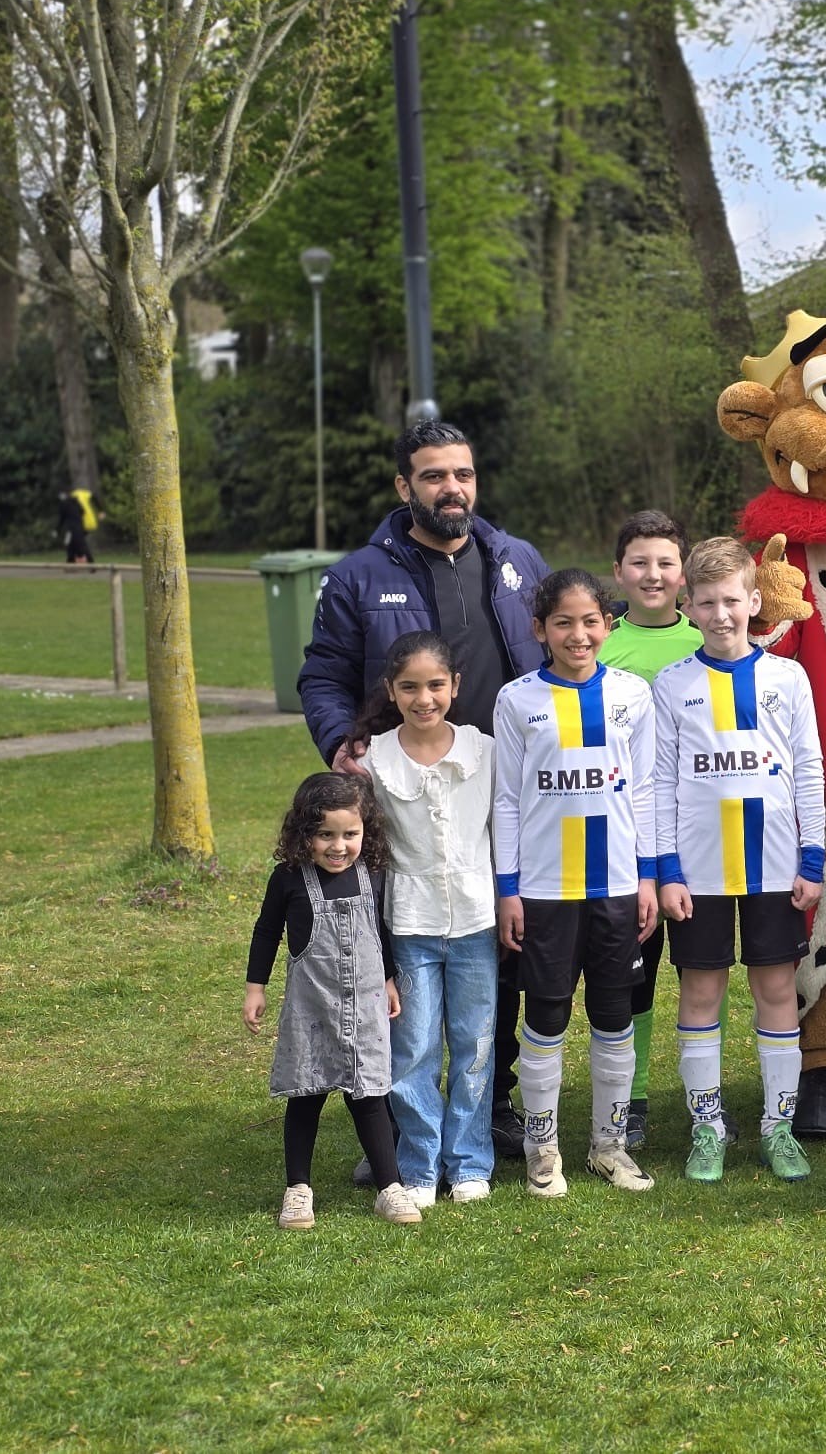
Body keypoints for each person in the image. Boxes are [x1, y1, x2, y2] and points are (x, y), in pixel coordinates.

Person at [299, 419, 549, 1160]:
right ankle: (395, 1125)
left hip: (500, 792)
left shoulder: (516, 560)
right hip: (399, 795)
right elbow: (322, 675)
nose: (453, 489)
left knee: (496, 947)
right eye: (435, 476)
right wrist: (341, 741)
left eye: (463, 474)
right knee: (392, 956)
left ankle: (488, 1105)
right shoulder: (358, 576)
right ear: (404, 487)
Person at [653, 538, 826, 1183]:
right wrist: (667, 872)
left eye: (732, 600)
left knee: (776, 990)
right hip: (698, 873)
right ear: (687, 605)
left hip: (776, 870)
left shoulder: (788, 677)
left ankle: (778, 1125)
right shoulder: (672, 685)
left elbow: (808, 770)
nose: (721, 613)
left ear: (755, 601)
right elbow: (660, 784)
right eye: (707, 602)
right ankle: (707, 1127)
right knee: (701, 993)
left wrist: (812, 857)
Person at [493, 570, 659, 1197]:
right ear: (540, 630)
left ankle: (608, 1146)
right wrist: (509, 888)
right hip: (544, 889)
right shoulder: (517, 701)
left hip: (616, 886)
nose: (578, 634)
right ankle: (543, 1150)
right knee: (547, 1017)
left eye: (590, 621)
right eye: (562, 622)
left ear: (607, 626)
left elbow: (643, 791)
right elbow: (507, 799)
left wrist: (646, 878)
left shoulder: (632, 695)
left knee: (615, 1016)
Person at [355, 630, 500, 1207]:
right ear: (391, 691)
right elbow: (367, 854)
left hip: (476, 921)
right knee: (411, 1049)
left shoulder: (483, 750)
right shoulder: (375, 761)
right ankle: (418, 1166)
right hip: (408, 925)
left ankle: (468, 1162)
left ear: (454, 687)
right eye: (410, 687)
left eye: (436, 685)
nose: (424, 699)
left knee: (476, 1043)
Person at [243, 773, 423, 1228]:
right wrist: (255, 987)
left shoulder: (373, 876)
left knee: (370, 1096)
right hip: (312, 1008)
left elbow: (380, 934)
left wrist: (387, 980)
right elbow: (266, 931)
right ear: (304, 834)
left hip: (364, 1006)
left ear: (366, 831)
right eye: (325, 835)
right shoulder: (288, 879)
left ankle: (390, 1188)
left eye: (350, 834)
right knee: (307, 1095)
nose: (338, 846)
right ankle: (297, 1190)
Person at [595, 510, 705, 1151]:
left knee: (696, 976)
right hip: (620, 840)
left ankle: (700, 1098)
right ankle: (628, 1099)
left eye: (666, 562)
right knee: (629, 977)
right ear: (619, 572)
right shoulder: (599, 648)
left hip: (692, 846)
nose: (653, 574)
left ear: (683, 572)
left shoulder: (706, 642)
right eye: (640, 562)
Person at [58, 488, 99, 564]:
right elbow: (82, 511)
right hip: (79, 527)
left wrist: (57, 529)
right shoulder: (75, 502)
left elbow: (62, 518)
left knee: (73, 544)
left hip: (71, 529)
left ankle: (84, 562)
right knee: (74, 544)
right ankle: (72, 561)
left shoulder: (65, 504)